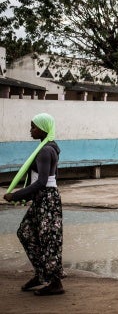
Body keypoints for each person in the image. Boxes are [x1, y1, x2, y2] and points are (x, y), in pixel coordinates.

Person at [3, 113, 64, 296]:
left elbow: (42, 182)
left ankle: (56, 283)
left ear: (44, 128)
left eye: (34, 127)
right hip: (43, 198)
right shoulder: (46, 147)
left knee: (48, 240)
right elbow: (45, 179)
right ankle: (41, 273)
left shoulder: (46, 150)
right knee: (26, 232)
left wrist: (16, 196)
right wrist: (29, 197)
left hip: (47, 198)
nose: (31, 130)